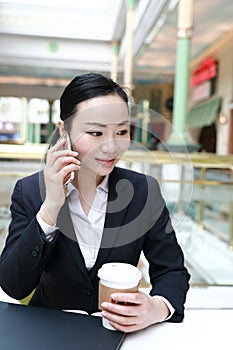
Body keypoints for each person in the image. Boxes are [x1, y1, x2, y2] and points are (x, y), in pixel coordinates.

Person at [0, 73, 190, 333]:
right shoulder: (30, 192)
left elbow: (172, 271)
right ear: (63, 130)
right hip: (48, 331)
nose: (111, 147)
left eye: (121, 131)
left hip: (119, 334)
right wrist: (51, 207)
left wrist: (156, 308)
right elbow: (14, 285)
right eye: (96, 132)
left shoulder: (143, 191)